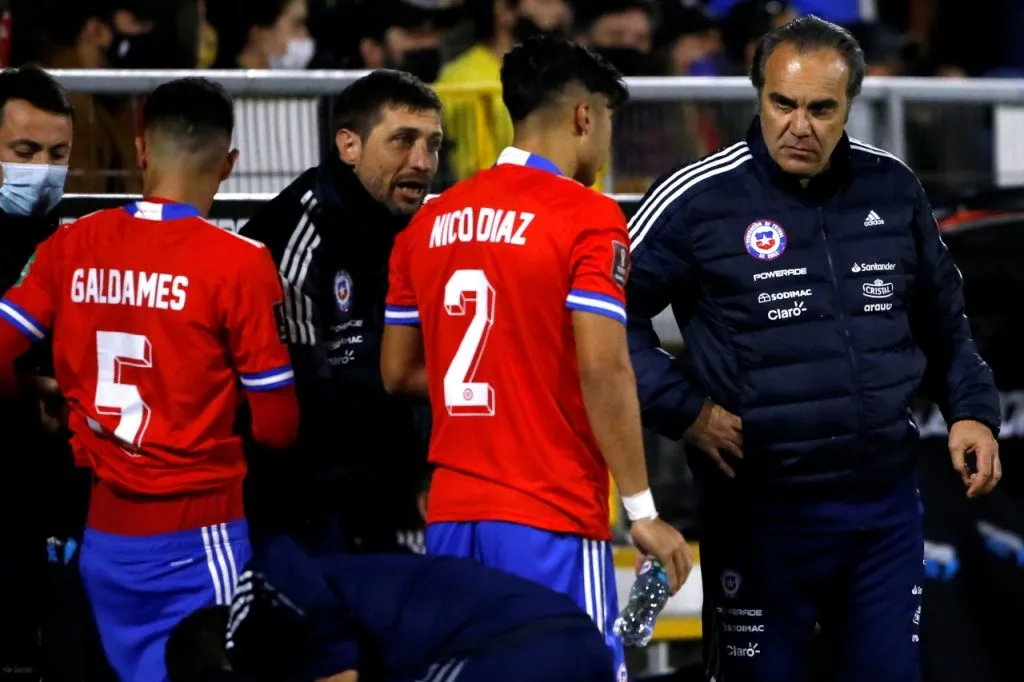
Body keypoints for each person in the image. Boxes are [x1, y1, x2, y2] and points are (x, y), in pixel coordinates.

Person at [625, 15, 1001, 682]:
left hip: (884, 508)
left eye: (822, 108)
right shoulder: (695, 199)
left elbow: (944, 321)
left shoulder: (893, 188)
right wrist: (684, 409)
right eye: (783, 103)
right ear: (759, 95)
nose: (800, 125)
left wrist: (970, 408)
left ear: (849, 105)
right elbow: (600, 323)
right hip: (762, 513)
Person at [379, 35, 692, 679]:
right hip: (547, 513)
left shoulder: (431, 221)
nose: (607, 144)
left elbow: (398, 373)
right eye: (609, 123)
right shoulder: (588, 216)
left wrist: (499, 376)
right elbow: (605, 368)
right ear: (584, 117)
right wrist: (643, 512)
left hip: (452, 517)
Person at [0, 76, 300, 682]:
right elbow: (277, 427)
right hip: (199, 535)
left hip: (103, 539)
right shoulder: (240, 263)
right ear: (230, 163)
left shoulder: (70, 245)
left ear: (140, 150)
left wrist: (27, 396)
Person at [239, 69, 442, 556]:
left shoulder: (423, 231)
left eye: (432, 144)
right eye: (402, 140)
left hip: (397, 493)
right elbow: (302, 405)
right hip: (308, 509)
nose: (422, 161)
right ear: (349, 146)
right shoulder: (294, 239)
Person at [166, 536, 616, 682]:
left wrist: (335, 666)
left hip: (518, 649)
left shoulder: (253, 609)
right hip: (566, 642)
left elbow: (281, 560)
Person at [0, 62, 74, 682]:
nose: (42, 169)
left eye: (56, 154)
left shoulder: (64, 238)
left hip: (41, 475)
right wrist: (27, 388)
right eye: (25, 151)